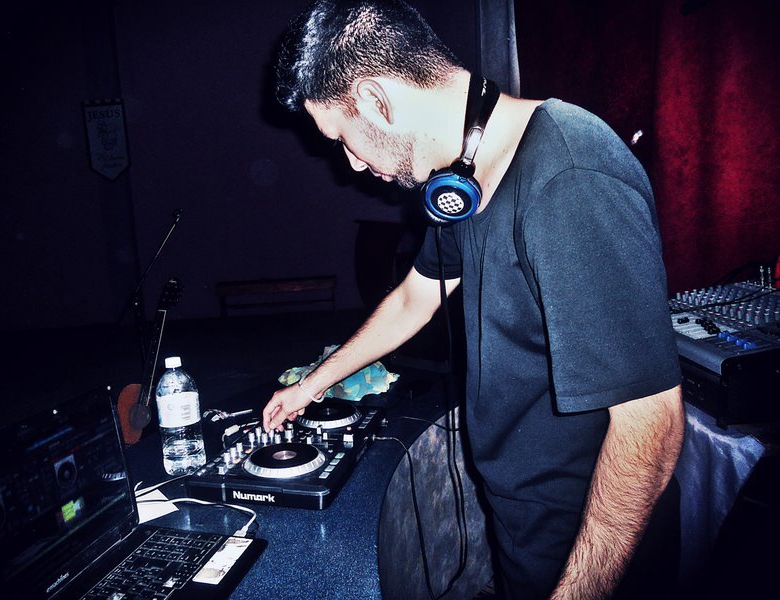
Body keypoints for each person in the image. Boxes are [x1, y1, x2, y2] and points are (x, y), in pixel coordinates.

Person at [262, 1, 685, 598]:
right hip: (522, 524)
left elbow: (652, 425)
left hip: (592, 541)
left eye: (343, 139)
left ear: (378, 101)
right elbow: (414, 299)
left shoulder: (572, 176)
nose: (352, 164)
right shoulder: (462, 180)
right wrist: (313, 384)